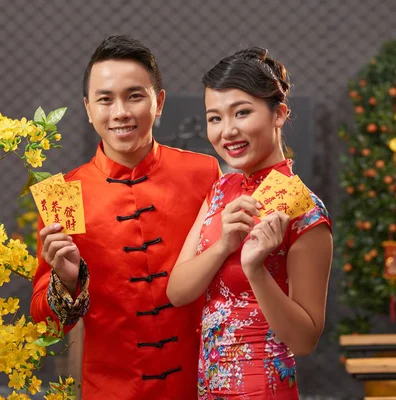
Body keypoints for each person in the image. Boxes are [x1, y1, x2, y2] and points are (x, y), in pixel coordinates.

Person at [30, 35, 220, 399]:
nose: (120, 112)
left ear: (158, 102)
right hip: (112, 389)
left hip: (201, 383)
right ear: (88, 109)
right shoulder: (62, 193)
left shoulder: (203, 172)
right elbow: (46, 323)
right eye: (105, 99)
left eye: (135, 96)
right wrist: (67, 281)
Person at [166, 47, 333, 399]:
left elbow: (304, 341)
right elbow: (177, 292)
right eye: (215, 118)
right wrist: (225, 244)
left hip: (262, 387)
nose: (227, 131)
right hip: (208, 387)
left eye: (242, 112)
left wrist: (255, 269)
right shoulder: (220, 191)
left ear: (279, 114)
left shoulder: (305, 211)